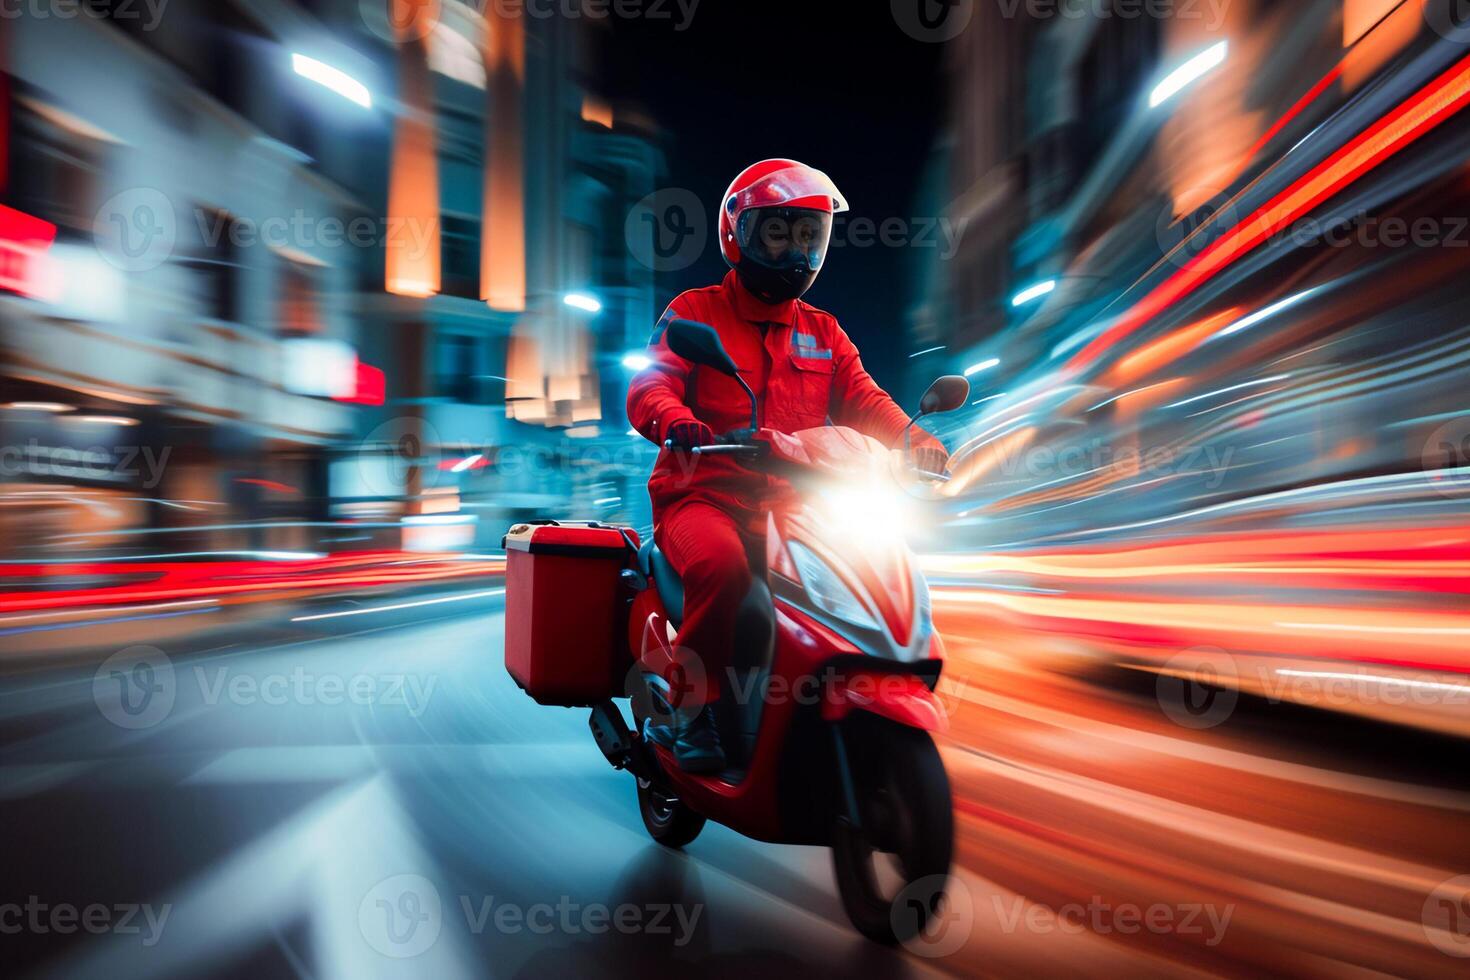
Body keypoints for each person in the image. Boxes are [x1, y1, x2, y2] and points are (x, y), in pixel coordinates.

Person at [626, 159, 950, 772]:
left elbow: (864, 399)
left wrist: (913, 437)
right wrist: (675, 421)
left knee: (870, 569)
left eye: (809, 235)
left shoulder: (824, 332)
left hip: (799, 506)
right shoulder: (694, 312)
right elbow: (649, 388)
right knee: (721, 569)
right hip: (704, 499)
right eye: (778, 233)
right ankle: (693, 709)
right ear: (737, 234)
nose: (795, 251)